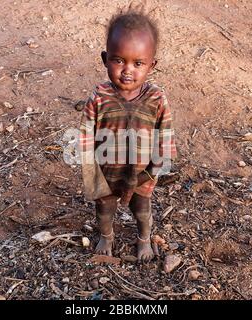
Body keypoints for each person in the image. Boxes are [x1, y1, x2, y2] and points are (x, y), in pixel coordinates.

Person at [79, 9, 177, 262]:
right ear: (105, 58)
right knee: (104, 207)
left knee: (142, 209)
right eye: (118, 60)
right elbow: (86, 133)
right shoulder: (99, 96)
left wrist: (156, 167)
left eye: (138, 63)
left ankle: (144, 239)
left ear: (152, 65)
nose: (127, 71)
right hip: (106, 169)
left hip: (143, 171)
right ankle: (106, 235)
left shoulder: (156, 98)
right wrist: (90, 170)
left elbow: (165, 133)